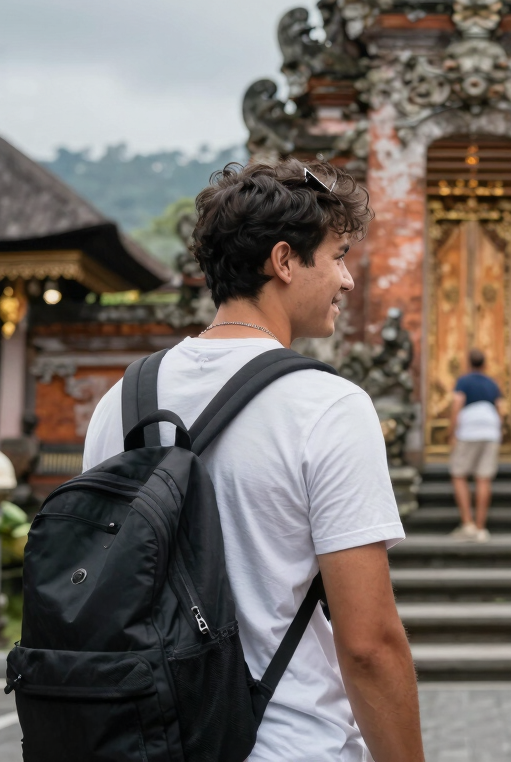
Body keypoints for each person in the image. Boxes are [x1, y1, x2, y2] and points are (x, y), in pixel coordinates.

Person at [83, 160, 424, 762]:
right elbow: (369, 643)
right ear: (285, 260)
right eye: (338, 255)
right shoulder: (327, 405)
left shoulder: (121, 400)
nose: (348, 280)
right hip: (288, 741)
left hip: (144, 738)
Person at [448, 347, 506, 542]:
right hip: (490, 429)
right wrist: (499, 428)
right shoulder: (492, 383)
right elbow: (501, 408)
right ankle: (481, 528)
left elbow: (457, 403)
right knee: (484, 478)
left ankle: (468, 523)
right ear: (485, 364)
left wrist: (452, 431)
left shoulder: (463, 381)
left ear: (469, 363)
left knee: (459, 474)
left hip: (469, 429)